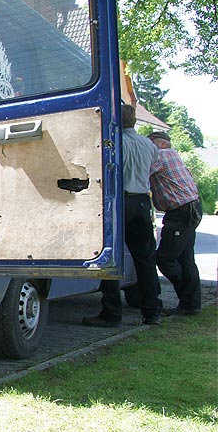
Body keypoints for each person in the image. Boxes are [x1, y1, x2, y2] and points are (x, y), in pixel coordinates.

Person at [83, 104, 163, 327]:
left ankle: (111, 313)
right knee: (145, 259)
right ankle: (152, 312)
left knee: (109, 257)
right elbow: (153, 167)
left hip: (119, 201)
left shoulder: (113, 143)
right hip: (141, 202)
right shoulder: (149, 145)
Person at [147, 131, 203, 316]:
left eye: (152, 143)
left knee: (165, 258)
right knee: (186, 258)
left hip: (180, 211)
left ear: (162, 144)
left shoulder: (161, 156)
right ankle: (191, 305)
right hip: (190, 208)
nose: (150, 147)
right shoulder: (173, 155)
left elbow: (141, 170)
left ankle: (188, 298)